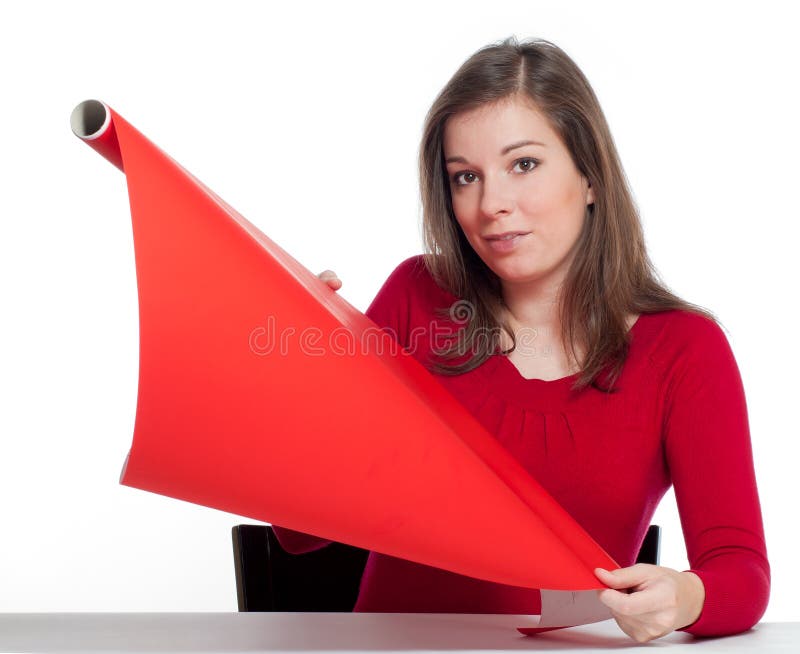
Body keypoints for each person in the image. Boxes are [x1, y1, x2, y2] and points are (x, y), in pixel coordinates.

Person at [273, 37, 769, 643]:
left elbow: (740, 569)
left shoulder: (684, 350)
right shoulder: (415, 298)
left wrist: (685, 596)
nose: (491, 205)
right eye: (465, 177)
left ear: (590, 176)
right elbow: (299, 535)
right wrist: (309, 382)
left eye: (523, 165)